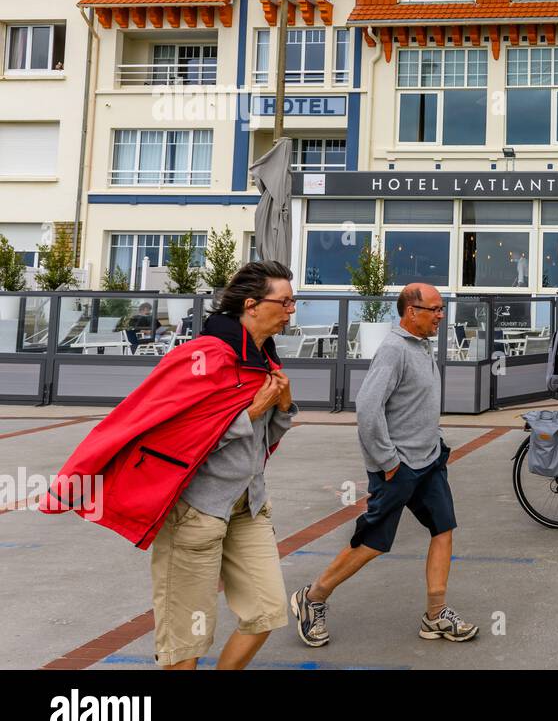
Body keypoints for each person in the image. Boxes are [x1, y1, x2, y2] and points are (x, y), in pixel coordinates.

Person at [40, 261, 298, 669]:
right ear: (251, 305)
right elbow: (171, 434)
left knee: (265, 612)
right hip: (195, 514)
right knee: (186, 641)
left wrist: (281, 407)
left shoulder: (262, 361)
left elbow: (263, 437)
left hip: (248, 507)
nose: (291, 310)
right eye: (284, 301)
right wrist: (247, 416)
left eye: (292, 301)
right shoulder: (202, 356)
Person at [290, 282, 477, 647]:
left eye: (441, 309)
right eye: (435, 309)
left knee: (443, 529)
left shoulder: (422, 346)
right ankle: (312, 598)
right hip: (399, 466)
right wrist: (389, 461)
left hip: (429, 461)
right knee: (373, 542)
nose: (441, 315)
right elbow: (368, 408)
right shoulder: (393, 350)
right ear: (412, 311)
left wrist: (436, 441)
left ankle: (436, 616)